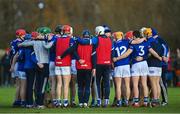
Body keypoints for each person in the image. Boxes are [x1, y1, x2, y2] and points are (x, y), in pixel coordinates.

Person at [113, 30, 162, 107]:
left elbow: (127, 53)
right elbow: (152, 52)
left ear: (134, 36)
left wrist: (117, 58)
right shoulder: (146, 42)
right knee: (144, 83)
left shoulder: (132, 44)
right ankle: (145, 101)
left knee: (135, 85)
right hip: (144, 64)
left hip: (136, 64)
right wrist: (159, 57)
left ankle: (136, 102)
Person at [18, 27, 50, 109]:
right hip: (44, 64)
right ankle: (40, 104)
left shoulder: (33, 43)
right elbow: (48, 46)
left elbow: (23, 44)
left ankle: (31, 103)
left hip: (36, 66)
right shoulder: (44, 42)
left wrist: (20, 44)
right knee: (42, 85)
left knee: (35, 85)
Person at [144, 28, 164, 107]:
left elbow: (151, 53)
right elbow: (162, 52)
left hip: (152, 64)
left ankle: (155, 101)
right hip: (159, 65)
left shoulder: (149, 42)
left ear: (147, 34)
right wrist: (160, 58)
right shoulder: (158, 41)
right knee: (157, 83)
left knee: (153, 83)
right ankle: (157, 99)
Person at [151, 28, 169, 106]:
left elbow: (166, 47)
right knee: (157, 83)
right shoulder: (154, 40)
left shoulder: (159, 39)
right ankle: (155, 99)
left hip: (161, 64)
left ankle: (165, 100)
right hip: (157, 63)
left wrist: (164, 56)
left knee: (161, 83)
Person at [10, 29, 26, 107]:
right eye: (23, 35)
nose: (24, 36)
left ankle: (17, 100)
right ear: (20, 35)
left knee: (18, 84)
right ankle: (17, 100)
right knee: (20, 84)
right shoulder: (20, 43)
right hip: (18, 63)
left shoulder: (13, 42)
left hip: (14, 63)